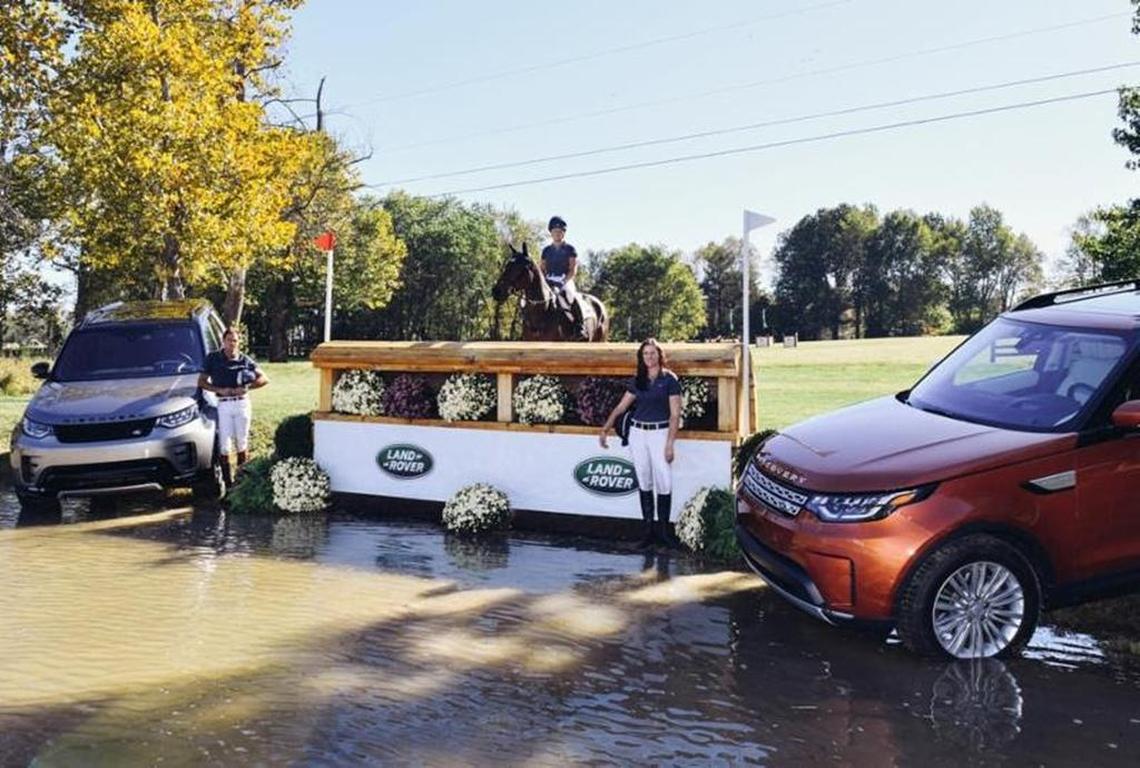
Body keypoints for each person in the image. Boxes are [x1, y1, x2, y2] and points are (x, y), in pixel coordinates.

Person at [599, 338, 683, 549]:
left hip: (660, 432)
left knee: (663, 480)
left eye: (653, 353)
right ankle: (648, 531)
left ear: (660, 355)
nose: (649, 357)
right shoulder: (639, 380)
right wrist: (606, 427)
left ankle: (663, 532)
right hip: (638, 433)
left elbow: (675, 415)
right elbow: (621, 407)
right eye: (645, 353)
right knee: (644, 479)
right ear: (641, 357)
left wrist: (670, 443)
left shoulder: (669, 380)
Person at [198, 327, 268, 488]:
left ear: (239, 342)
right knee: (224, 444)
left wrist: (247, 387)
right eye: (229, 340)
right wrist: (219, 390)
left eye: (235, 340)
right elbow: (202, 381)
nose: (232, 344)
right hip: (224, 404)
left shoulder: (244, 360)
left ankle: (241, 482)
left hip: (241, 403)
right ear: (223, 341)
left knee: (242, 442)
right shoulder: (213, 358)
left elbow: (264, 378)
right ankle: (228, 484)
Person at [540, 215, 588, 340]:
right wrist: (544, 281)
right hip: (549, 280)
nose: (557, 234)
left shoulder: (570, 249)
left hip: (565, 279)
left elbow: (573, 269)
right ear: (551, 233)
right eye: (555, 231)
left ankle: (580, 326)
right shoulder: (546, 250)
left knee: (572, 296)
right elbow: (542, 268)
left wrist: (564, 281)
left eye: (560, 231)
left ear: (563, 233)